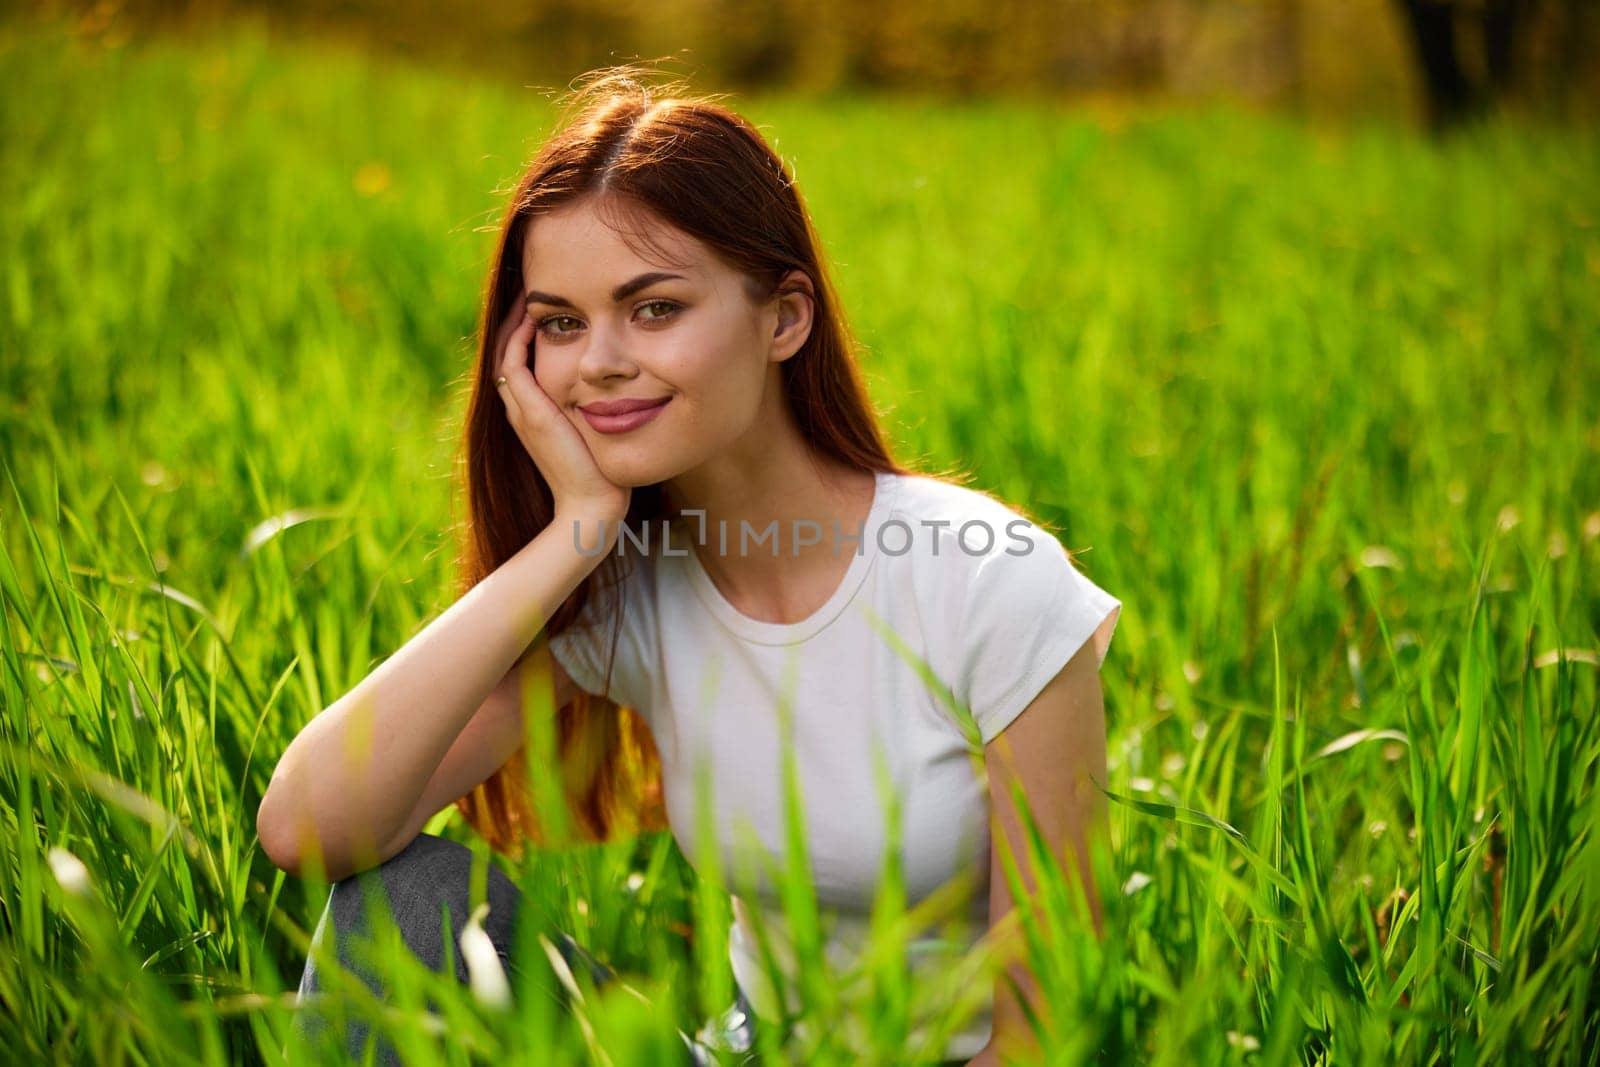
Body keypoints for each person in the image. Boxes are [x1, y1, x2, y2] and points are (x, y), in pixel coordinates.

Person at [258, 64, 1121, 1067]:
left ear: (784, 318)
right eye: (562, 323)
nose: (599, 363)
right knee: (402, 898)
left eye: (654, 308)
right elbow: (312, 828)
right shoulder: (634, 588)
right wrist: (572, 536)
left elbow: (1044, 1030)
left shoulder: (986, 578)